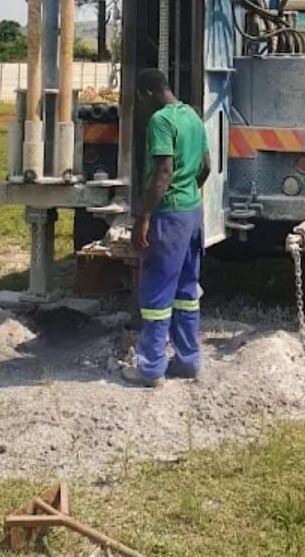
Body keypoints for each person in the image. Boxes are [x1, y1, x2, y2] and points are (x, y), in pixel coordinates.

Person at [122, 68, 210, 387]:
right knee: (187, 289)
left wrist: (144, 216)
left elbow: (163, 171)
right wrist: (189, 192)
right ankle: (188, 361)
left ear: (147, 94)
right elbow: (207, 166)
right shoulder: (192, 116)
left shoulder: (160, 121)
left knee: (157, 289)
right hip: (192, 213)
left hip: (169, 216)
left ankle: (150, 368)